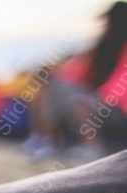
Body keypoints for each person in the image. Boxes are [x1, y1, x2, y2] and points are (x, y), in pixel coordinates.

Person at [25, 1, 127, 160]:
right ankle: (46, 142)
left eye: (109, 22)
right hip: (97, 108)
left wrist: (93, 98)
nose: (105, 26)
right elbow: (73, 73)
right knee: (50, 83)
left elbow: (119, 90)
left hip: (118, 113)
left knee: (77, 98)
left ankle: (93, 148)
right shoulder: (101, 50)